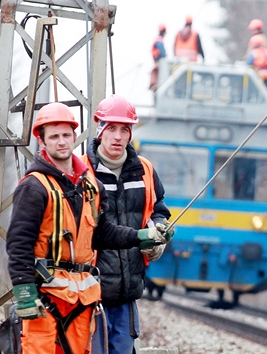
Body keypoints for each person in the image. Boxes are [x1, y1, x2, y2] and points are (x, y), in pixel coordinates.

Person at [6, 102, 174, 354]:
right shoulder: (34, 187)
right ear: (42, 141)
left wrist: (144, 235)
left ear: (75, 137)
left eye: (65, 135)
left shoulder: (87, 184)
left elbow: (103, 233)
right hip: (47, 299)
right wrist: (24, 291)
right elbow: (18, 244)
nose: (61, 142)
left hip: (81, 299)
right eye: (54, 136)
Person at [84, 95, 171, 354]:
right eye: (111, 128)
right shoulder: (81, 171)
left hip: (126, 294)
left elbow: (159, 209)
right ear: (99, 129)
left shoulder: (145, 170)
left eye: (124, 129)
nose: (118, 136)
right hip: (88, 294)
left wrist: (158, 235)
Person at [150, 24, 167, 91]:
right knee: (157, 73)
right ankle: (154, 85)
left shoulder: (158, 39)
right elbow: (161, 52)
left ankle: (153, 85)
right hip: (158, 60)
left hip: (156, 59)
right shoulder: (159, 40)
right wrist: (164, 57)